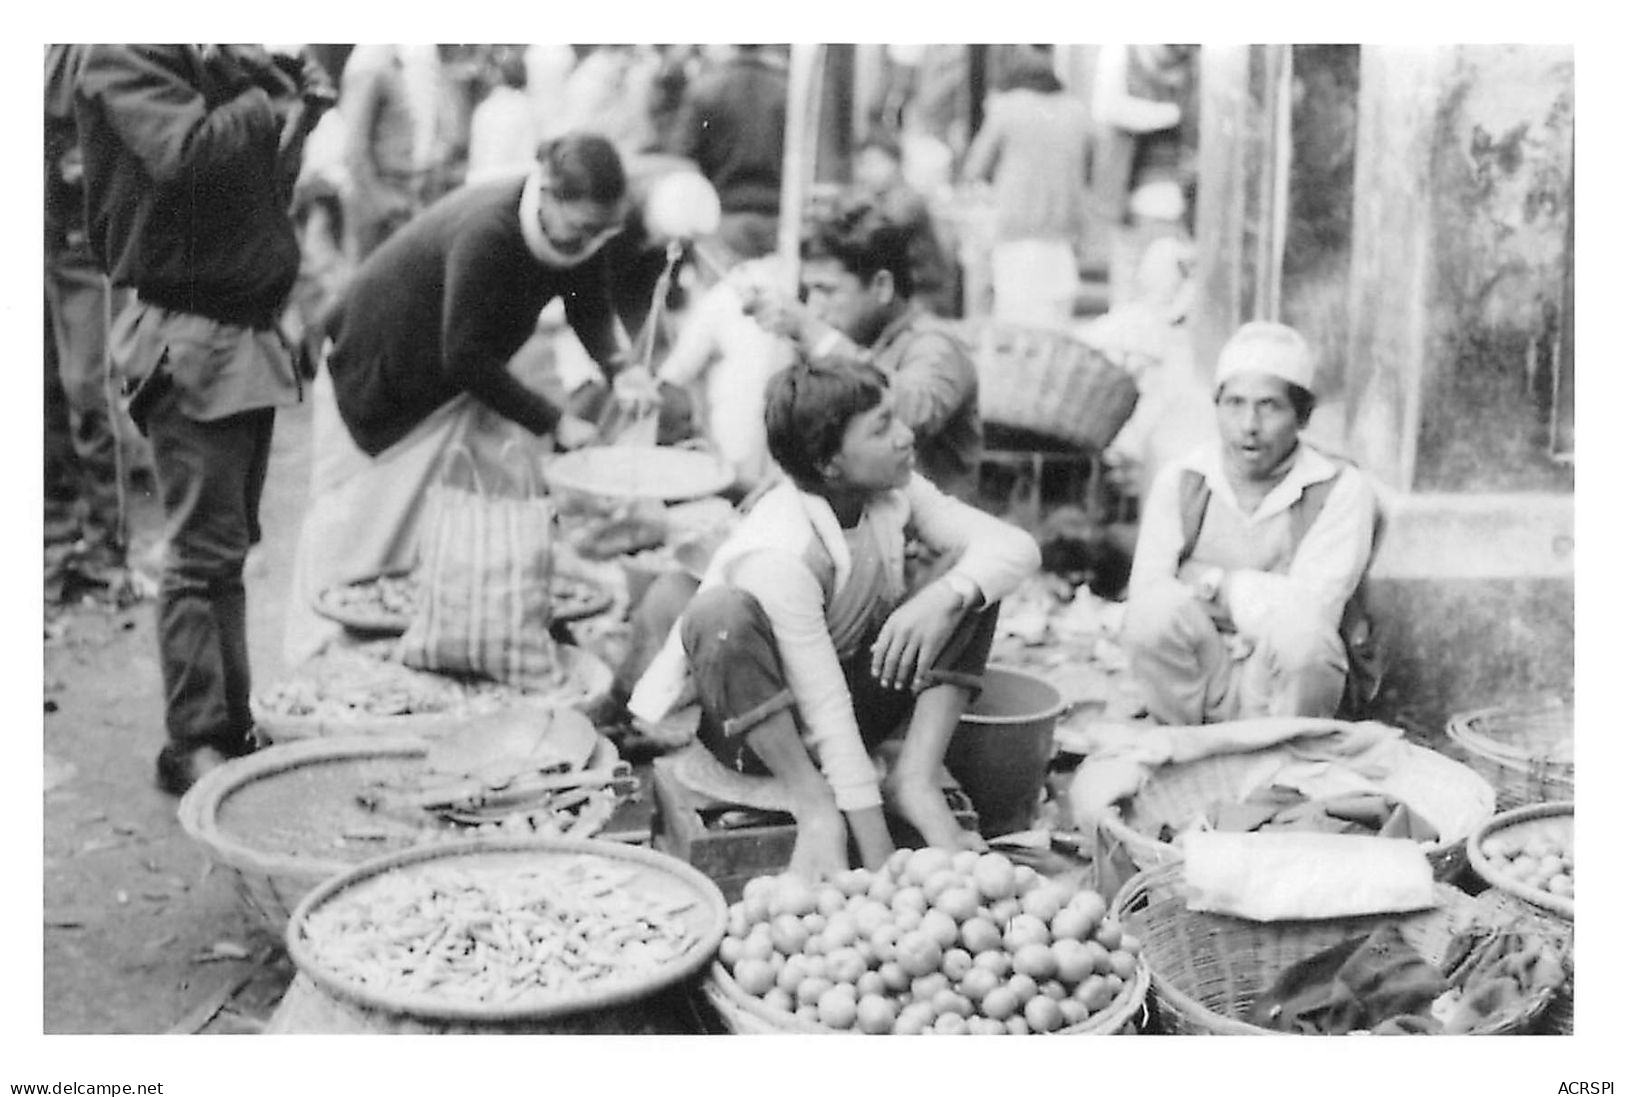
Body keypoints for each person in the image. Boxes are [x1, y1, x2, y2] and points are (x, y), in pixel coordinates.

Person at [629, 359, 1041, 878]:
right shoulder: (783, 549)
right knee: (719, 613)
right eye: (881, 427)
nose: (905, 436)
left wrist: (945, 597)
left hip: (853, 693)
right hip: (761, 733)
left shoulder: (893, 493)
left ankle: (914, 780)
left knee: (975, 577)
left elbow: (1015, 548)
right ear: (830, 466)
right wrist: (878, 862)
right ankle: (811, 801)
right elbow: (826, 709)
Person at [75, 44, 334, 794]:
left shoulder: (205, 61)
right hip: (190, 337)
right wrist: (264, 95)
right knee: (198, 556)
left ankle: (229, 722)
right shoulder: (123, 49)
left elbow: (254, 182)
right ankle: (191, 740)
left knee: (225, 551)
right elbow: (184, 156)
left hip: (240, 334)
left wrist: (298, 113)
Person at [282, 132, 632, 666]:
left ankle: (438, 639)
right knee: (356, 528)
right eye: (585, 228)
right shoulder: (489, 231)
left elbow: (589, 304)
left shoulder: (576, 237)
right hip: (376, 369)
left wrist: (621, 369)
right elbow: (464, 356)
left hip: (445, 379)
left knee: (460, 514)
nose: (592, 242)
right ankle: (316, 662)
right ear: (550, 197)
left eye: (604, 232)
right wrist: (555, 422)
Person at [1121, 322, 1381, 725]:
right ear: (1217, 406)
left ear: (1303, 415)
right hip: (1203, 676)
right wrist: (1267, 595)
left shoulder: (1339, 487)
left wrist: (1214, 585)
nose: (1249, 425)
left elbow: (1313, 609)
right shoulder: (1185, 479)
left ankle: (1286, 759)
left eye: (1269, 406)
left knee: (1304, 636)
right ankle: (1189, 745)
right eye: (1234, 403)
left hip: (1282, 688)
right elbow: (1149, 593)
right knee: (1149, 616)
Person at [746, 196, 983, 501]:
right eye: (810, 291)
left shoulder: (936, 346)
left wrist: (812, 332)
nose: (815, 308)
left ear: (882, 286)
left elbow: (912, 412)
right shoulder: (852, 343)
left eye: (827, 291)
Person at [959, 55, 1092, 331]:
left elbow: (974, 168)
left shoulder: (1006, 107)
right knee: (1055, 325)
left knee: (1017, 324)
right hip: (1063, 234)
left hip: (1016, 231)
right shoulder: (1077, 111)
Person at [338, 44, 467, 261]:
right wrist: (381, 201)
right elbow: (355, 148)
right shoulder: (375, 69)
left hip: (418, 197)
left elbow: (451, 136)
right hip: (384, 200)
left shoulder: (429, 72)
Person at [671, 44, 788, 263]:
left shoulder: (705, 88)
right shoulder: (786, 89)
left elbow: (683, 158)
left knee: (721, 294)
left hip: (723, 216)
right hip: (776, 216)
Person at [850, 132, 956, 317]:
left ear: (894, 164)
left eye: (872, 163)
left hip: (924, 297)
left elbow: (878, 230)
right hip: (901, 295)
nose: (864, 173)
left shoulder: (907, 199)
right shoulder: (879, 200)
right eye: (861, 165)